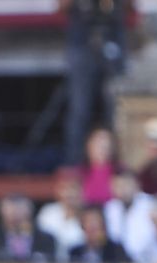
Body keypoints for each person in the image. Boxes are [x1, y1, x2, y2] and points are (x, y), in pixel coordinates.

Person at [61, 0, 126, 167]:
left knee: (116, 106)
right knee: (80, 109)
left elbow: (131, 7)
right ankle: (74, 165)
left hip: (112, 34)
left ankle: (118, 164)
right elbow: (61, 7)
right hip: (82, 39)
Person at [0, 194, 58, 263]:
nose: (14, 213)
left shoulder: (46, 239)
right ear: (1, 212)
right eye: (10, 209)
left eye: (19, 209)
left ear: (29, 211)